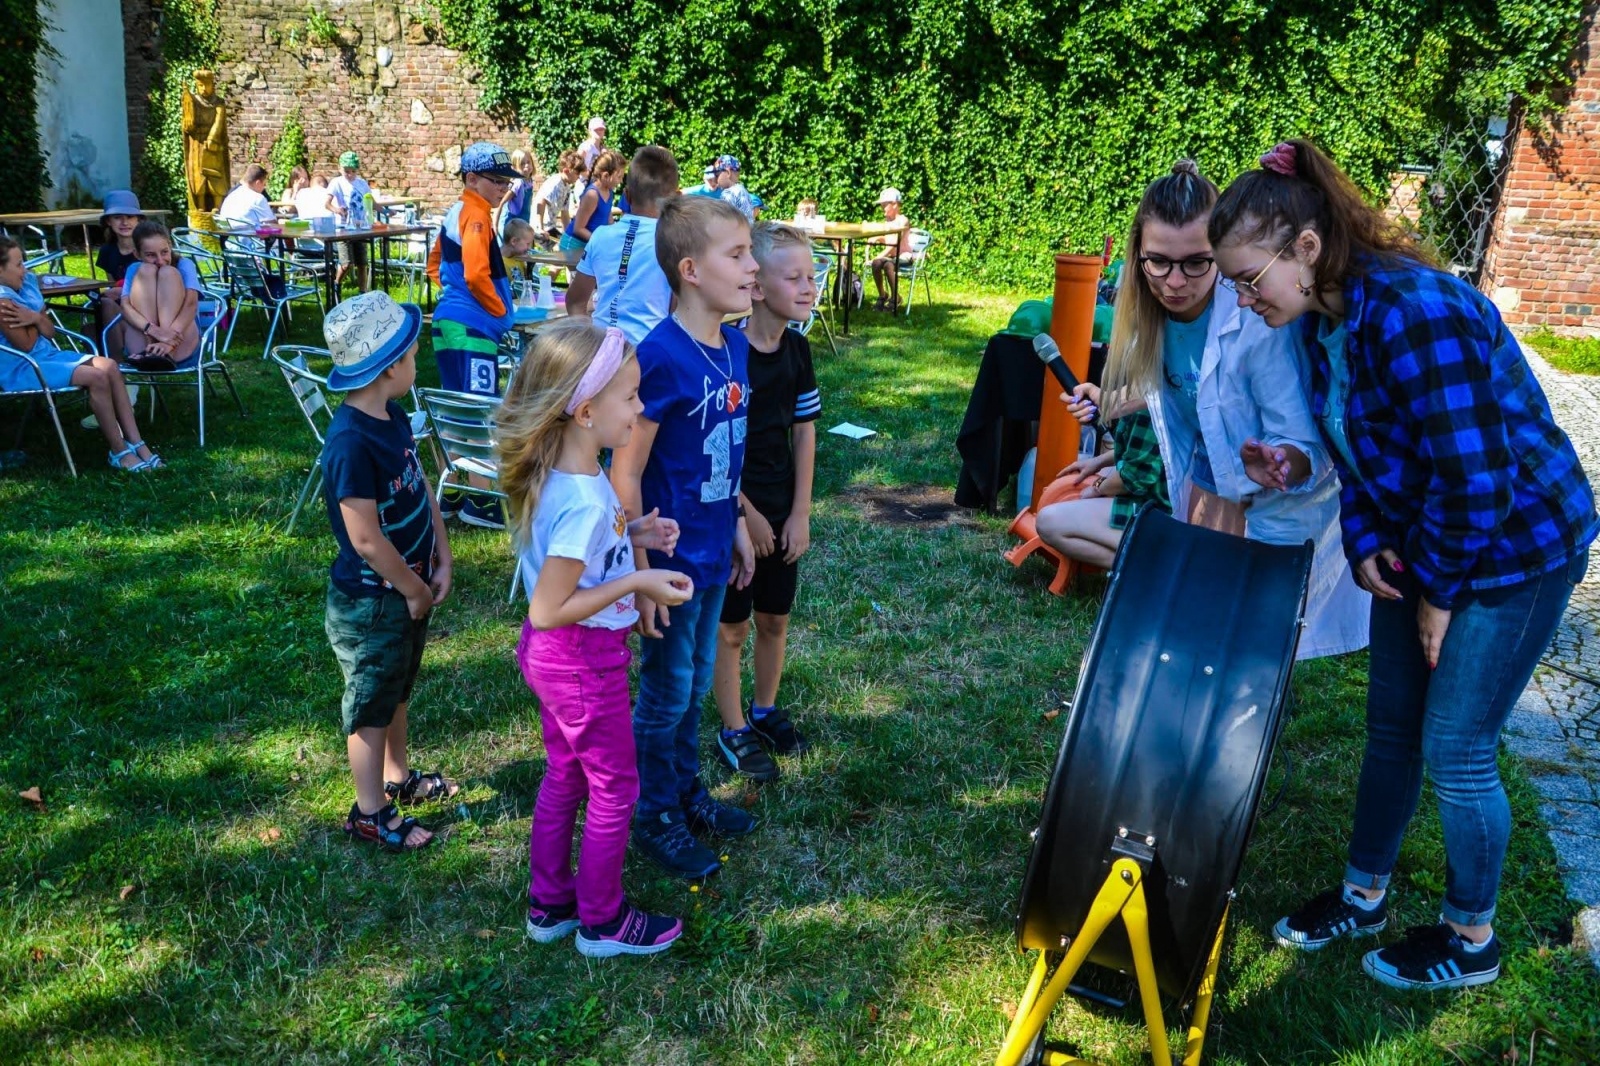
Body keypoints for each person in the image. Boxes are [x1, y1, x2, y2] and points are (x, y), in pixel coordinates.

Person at [1209, 139, 1597, 991]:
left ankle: (1471, 941)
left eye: (1248, 279)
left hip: (1519, 543)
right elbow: (1360, 453)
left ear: (1306, 249)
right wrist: (1368, 543)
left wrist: (1438, 597)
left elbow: (1475, 476)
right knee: (1391, 729)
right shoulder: (1324, 322)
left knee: (1456, 744)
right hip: (1429, 538)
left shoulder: (1416, 312)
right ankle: (1364, 894)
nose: (1241, 298)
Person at [1061, 159, 1369, 659]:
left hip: (1272, 503)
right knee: (1202, 627)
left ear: (1220, 253)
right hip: (1204, 484)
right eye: (1158, 261)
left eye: (1196, 262)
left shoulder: (1258, 320)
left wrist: (1280, 462)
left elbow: (1304, 441)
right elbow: (1175, 410)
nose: (1175, 281)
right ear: (1137, 254)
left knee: (1253, 642)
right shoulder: (1148, 319)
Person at [499, 319, 693, 956]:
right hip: (580, 658)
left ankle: (549, 903)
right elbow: (553, 606)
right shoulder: (584, 499)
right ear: (586, 411)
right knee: (615, 787)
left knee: (566, 774)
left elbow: (577, 556)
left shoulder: (572, 477)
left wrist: (633, 540)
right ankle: (604, 922)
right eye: (630, 398)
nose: (639, 411)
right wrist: (637, 579)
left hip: (557, 659)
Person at [609, 195, 758, 879]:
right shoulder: (659, 357)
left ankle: (683, 790)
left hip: (711, 553)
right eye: (739, 255)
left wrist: (737, 527)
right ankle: (652, 813)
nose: (752, 267)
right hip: (667, 566)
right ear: (692, 270)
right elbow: (627, 472)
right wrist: (638, 571)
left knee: (695, 682)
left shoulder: (732, 345)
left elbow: (720, 450)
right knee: (667, 692)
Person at [317, 291, 457, 853]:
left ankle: (397, 778)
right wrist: (413, 589)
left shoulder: (392, 415)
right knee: (371, 705)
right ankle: (369, 811)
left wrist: (442, 555)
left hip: (408, 591)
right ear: (390, 366)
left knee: (398, 689)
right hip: (373, 602)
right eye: (413, 353)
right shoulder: (350, 441)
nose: (417, 360)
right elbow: (366, 538)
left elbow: (420, 486)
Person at [712, 222, 821, 781]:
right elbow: (713, 443)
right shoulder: (727, 352)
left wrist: (799, 512)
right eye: (794, 276)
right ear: (757, 287)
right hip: (734, 513)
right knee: (731, 628)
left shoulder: (799, 349)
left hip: (782, 510)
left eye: (812, 276)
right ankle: (732, 727)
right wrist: (744, 512)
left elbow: (804, 432)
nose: (808, 286)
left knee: (774, 619)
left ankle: (764, 710)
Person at [0, 236, 162, 471]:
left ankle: (137, 442)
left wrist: (34, 317)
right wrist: (37, 315)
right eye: (18, 265)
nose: (24, 271)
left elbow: (50, 331)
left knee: (109, 366)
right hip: (21, 367)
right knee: (95, 376)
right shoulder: (3, 302)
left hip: (45, 356)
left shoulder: (25, 291)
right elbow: (26, 345)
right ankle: (119, 451)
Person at [426, 141, 520, 530]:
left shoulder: (457, 211)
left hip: (450, 323)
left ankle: (451, 492)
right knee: (480, 411)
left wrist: (451, 297)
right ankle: (481, 503)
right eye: (496, 181)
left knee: (455, 408)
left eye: (507, 182)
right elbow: (476, 273)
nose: (503, 189)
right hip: (472, 327)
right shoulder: (478, 217)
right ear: (472, 179)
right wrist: (497, 311)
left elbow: (434, 263)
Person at [565, 146, 680, 345]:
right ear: (677, 197)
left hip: (602, 351)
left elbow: (575, 301)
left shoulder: (600, 235)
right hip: (650, 353)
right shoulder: (675, 241)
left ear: (627, 195)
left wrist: (586, 347)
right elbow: (678, 312)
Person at [119, 221, 203, 371]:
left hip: (180, 336)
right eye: (151, 255)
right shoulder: (135, 268)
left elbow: (191, 304)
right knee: (145, 270)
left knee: (168, 272)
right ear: (137, 254)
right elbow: (125, 307)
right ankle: (152, 352)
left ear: (170, 246)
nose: (160, 261)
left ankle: (164, 352)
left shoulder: (184, 264)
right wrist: (153, 331)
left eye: (164, 252)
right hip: (145, 338)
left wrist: (168, 341)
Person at [95, 190, 145, 357]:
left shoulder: (147, 249)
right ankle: (112, 369)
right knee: (89, 328)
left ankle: (116, 366)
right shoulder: (107, 252)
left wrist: (123, 293)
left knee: (106, 305)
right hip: (120, 307)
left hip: (146, 307)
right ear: (108, 221)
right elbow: (112, 284)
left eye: (130, 217)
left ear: (138, 219)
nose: (124, 222)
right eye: (118, 217)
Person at [561, 149, 626, 255]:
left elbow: (608, 217)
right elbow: (578, 228)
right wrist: (601, 242)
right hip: (574, 245)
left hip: (589, 244)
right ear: (605, 176)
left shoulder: (609, 192)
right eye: (619, 177)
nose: (621, 181)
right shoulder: (592, 195)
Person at [329, 151, 374, 290]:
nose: (349, 174)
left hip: (360, 226)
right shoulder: (337, 182)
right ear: (340, 169)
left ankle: (363, 291)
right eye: (346, 171)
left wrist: (385, 210)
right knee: (347, 263)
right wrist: (337, 209)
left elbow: (371, 201)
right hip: (343, 227)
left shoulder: (362, 184)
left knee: (362, 263)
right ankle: (337, 283)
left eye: (352, 171)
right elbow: (327, 203)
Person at [866, 187, 912, 312]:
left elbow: (895, 243)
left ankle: (895, 297)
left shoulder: (903, 221)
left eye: (884, 205)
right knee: (876, 264)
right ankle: (882, 295)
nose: (882, 208)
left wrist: (881, 254)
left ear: (895, 204)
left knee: (887, 265)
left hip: (903, 255)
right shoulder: (888, 221)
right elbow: (888, 239)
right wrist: (878, 238)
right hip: (891, 256)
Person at [533, 151, 586, 243]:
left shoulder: (567, 187)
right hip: (540, 229)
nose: (579, 176)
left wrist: (567, 235)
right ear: (566, 171)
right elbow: (541, 202)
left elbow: (564, 214)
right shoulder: (555, 183)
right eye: (577, 173)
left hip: (550, 228)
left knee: (567, 245)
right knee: (559, 252)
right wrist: (540, 228)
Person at [219, 164, 277, 230]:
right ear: (257, 183)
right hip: (251, 239)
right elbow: (273, 225)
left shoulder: (230, 196)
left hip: (230, 239)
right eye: (264, 184)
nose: (264, 187)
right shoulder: (258, 198)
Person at [498, 148, 538, 239]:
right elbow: (501, 203)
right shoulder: (518, 183)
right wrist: (496, 226)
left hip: (522, 220)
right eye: (522, 164)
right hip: (510, 222)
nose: (526, 165)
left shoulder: (529, 181)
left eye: (528, 162)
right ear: (515, 167)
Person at [713, 155, 755, 221]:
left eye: (717, 175)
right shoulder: (742, 190)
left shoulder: (728, 193)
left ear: (728, 173)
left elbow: (725, 219)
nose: (715, 179)